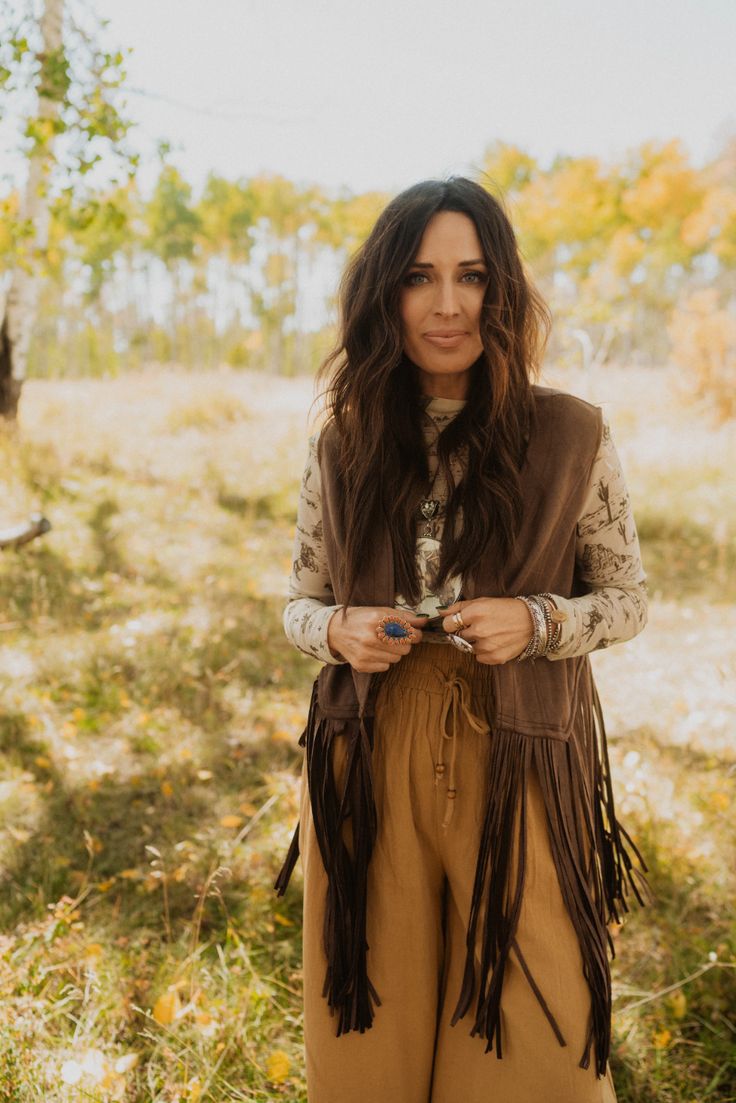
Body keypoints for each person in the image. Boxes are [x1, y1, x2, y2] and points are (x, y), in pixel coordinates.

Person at [275, 177, 650, 1103]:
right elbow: (298, 604)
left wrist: (540, 619)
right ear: (384, 295)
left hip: (519, 755)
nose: (447, 304)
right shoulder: (343, 441)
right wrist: (340, 630)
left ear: (503, 289)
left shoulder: (573, 433)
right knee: (371, 1038)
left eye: (472, 275)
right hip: (367, 751)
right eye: (419, 276)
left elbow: (629, 598)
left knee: (530, 1035)